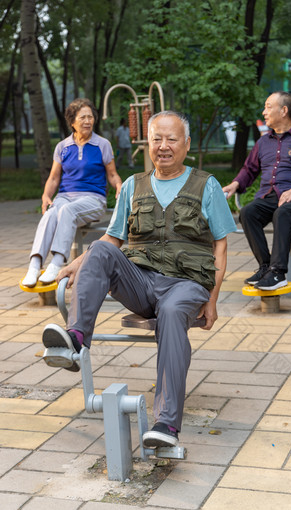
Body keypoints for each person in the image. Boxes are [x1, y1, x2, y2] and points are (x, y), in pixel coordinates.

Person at [41, 110, 237, 448]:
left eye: (171, 139)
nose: (163, 146)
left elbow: (221, 246)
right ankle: (75, 339)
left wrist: (213, 301)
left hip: (186, 283)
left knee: (174, 313)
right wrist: (77, 262)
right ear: (148, 144)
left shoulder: (207, 185)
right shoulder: (132, 185)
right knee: (99, 251)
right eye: (157, 139)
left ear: (186, 145)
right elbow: (112, 239)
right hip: (141, 281)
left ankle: (166, 424)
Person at [223, 91, 291, 290]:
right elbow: (249, 169)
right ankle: (265, 267)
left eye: (268, 106)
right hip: (268, 197)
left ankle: (277, 273)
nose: (263, 112)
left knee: (283, 212)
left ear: (283, 110)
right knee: (248, 213)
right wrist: (235, 184)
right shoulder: (262, 142)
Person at [22, 98, 122, 288]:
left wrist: (119, 187)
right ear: (72, 122)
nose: (88, 121)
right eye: (82, 117)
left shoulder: (102, 144)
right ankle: (34, 265)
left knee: (66, 211)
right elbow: (53, 178)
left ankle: (57, 262)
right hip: (65, 196)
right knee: (52, 212)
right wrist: (45, 196)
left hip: (93, 199)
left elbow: (112, 174)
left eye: (90, 117)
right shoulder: (62, 147)